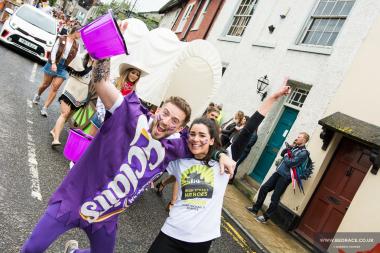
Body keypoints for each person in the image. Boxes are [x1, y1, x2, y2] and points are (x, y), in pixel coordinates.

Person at [21, 59, 235, 253]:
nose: (167, 121)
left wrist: (221, 154)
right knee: (32, 249)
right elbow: (101, 83)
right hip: (72, 201)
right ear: (158, 110)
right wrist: (104, 52)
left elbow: (202, 144)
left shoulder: (174, 147)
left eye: (175, 121)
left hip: (103, 217)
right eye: (166, 113)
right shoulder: (130, 113)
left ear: (180, 128)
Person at [148, 117, 229, 253]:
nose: (195, 139)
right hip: (172, 231)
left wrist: (272, 99)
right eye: (192, 134)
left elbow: (247, 131)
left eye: (202, 135)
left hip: (201, 239)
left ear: (212, 140)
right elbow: (158, 147)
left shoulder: (223, 165)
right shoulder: (180, 161)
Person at [247, 132, 310, 224]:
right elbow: (282, 153)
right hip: (278, 173)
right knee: (264, 188)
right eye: (297, 136)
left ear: (304, 140)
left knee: (275, 197)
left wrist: (286, 156)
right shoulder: (295, 147)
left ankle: (266, 217)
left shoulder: (304, 153)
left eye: (299, 137)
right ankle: (255, 209)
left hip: (285, 177)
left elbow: (291, 163)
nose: (296, 138)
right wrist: (289, 148)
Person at [87, 61, 148, 136]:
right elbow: (102, 95)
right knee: (88, 139)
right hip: (101, 116)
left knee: (99, 146)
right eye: (133, 72)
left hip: (113, 124)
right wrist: (101, 114)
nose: (134, 76)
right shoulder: (115, 81)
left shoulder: (134, 93)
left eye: (137, 75)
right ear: (128, 72)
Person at [32, 25, 81, 117]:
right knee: (45, 84)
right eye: (80, 33)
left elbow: (77, 58)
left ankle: (45, 108)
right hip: (54, 62)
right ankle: (38, 95)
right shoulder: (62, 38)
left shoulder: (77, 45)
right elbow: (54, 51)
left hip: (64, 67)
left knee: (55, 88)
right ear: (75, 32)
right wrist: (54, 63)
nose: (81, 35)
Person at [50, 53, 94, 146]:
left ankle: (54, 130)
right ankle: (56, 138)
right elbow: (78, 71)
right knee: (64, 114)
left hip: (82, 93)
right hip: (71, 88)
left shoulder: (97, 65)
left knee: (68, 115)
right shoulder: (80, 57)